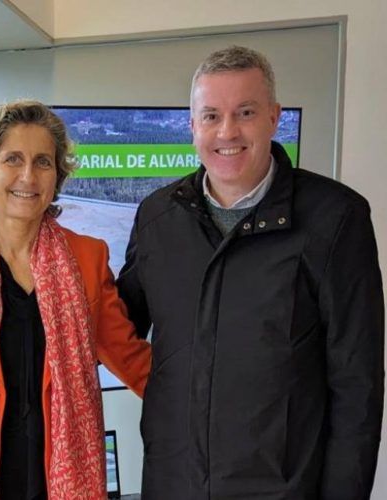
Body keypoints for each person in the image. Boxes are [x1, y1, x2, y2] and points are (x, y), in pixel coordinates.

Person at [117, 45, 384, 499]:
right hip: (172, 483)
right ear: (192, 126)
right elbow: (115, 324)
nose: (227, 132)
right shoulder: (158, 217)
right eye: (211, 116)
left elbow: (357, 386)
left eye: (245, 112)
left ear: (274, 117)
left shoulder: (335, 219)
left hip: (282, 489)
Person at [0, 100, 152, 500]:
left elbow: (131, 358)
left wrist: (204, 406)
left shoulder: (87, 259)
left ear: (56, 176)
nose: (28, 175)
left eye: (43, 162)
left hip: (60, 475)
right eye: (13, 159)